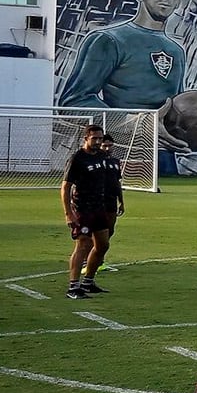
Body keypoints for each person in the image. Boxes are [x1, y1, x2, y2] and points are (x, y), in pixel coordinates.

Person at [57, 0, 188, 109]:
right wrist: (130, 121)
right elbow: (75, 101)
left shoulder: (176, 51)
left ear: (178, 1)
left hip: (162, 126)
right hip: (121, 125)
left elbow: (177, 108)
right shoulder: (108, 40)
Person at [62, 124, 125, 299]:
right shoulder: (77, 158)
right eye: (94, 138)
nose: (98, 142)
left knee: (103, 245)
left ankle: (88, 282)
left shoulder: (103, 157)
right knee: (83, 244)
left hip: (100, 207)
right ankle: (73, 287)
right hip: (82, 208)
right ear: (86, 138)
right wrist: (68, 213)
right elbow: (65, 187)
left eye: (100, 138)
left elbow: (110, 181)